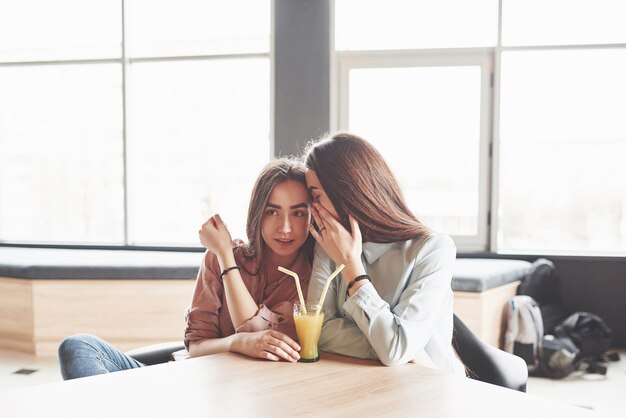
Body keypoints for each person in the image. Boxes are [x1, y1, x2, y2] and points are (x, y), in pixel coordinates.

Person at [58, 159, 314, 380]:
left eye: (298, 213)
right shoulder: (221, 256)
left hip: (253, 397)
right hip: (191, 384)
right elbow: (196, 345)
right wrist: (236, 341)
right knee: (78, 347)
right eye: (273, 212)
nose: (285, 228)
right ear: (258, 214)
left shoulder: (315, 279)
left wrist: (225, 258)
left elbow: (265, 344)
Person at [304, 132, 465, 375]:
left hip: (431, 388)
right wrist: (394, 347)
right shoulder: (328, 243)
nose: (312, 208)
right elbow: (318, 330)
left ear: (345, 193)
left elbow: (395, 350)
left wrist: (351, 266)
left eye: (315, 196)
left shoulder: (434, 249)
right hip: (365, 380)